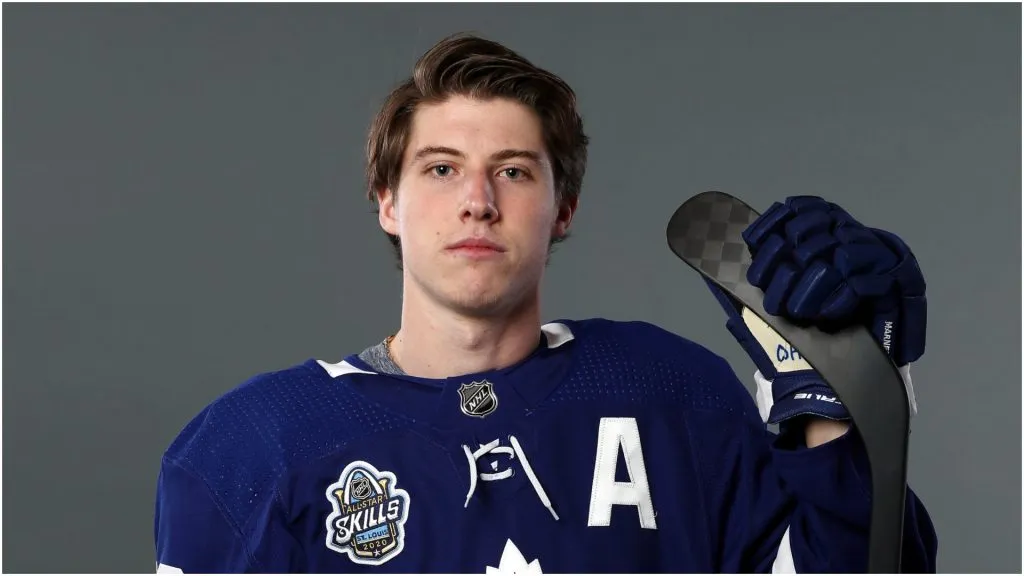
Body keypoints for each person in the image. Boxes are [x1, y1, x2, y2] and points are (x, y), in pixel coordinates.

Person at [154, 33, 938, 573]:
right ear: (387, 201)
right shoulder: (251, 449)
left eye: (514, 171)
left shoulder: (673, 396)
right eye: (440, 168)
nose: (478, 201)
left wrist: (834, 415)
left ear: (563, 209)